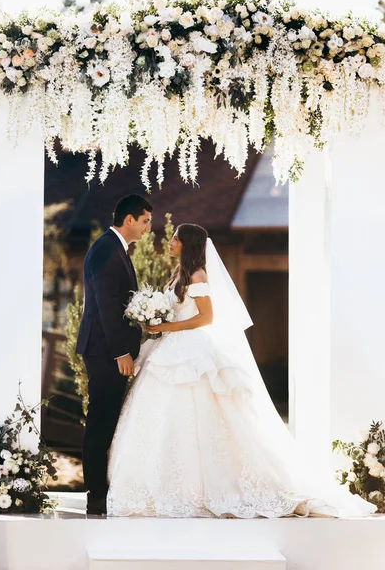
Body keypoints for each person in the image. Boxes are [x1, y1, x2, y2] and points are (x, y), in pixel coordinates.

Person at [106, 222, 376, 518]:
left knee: (200, 413)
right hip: (171, 346)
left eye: (175, 238)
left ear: (187, 244)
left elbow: (207, 318)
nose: (169, 242)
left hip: (191, 349)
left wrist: (168, 326)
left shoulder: (197, 276)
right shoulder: (177, 276)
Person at [76, 194, 152, 515]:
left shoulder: (114, 247)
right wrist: (121, 351)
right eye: (146, 220)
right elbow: (107, 305)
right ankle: (95, 497)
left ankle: (101, 492)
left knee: (107, 419)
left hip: (108, 350)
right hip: (105, 351)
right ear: (130, 220)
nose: (149, 227)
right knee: (100, 421)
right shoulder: (107, 248)